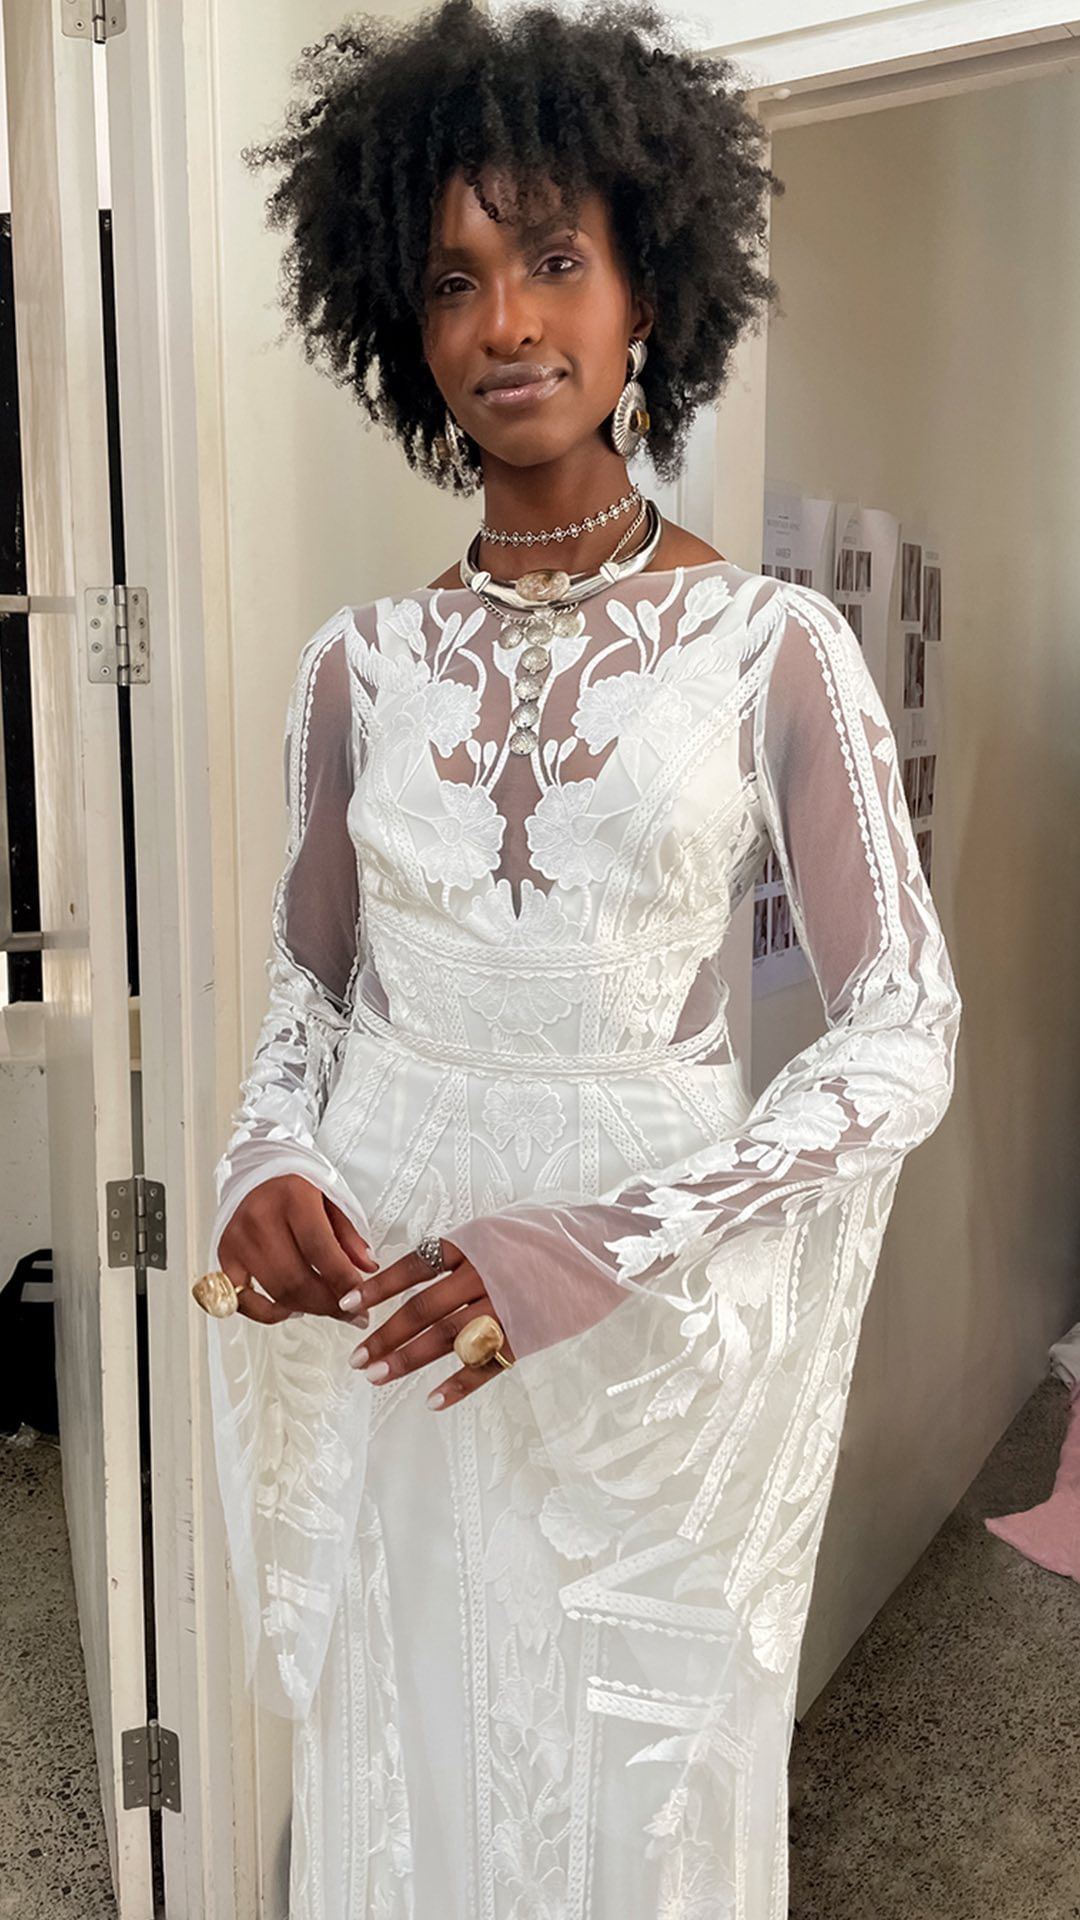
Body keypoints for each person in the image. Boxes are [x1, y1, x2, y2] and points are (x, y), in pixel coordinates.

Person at [196, 3, 963, 1913]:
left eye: (553, 260)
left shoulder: (773, 646)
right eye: (455, 280)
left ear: (646, 298)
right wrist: (265, 1161)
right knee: (416, 1759)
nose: (507, 324)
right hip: (401, 1300)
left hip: (642, 1317)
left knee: (632, 1798)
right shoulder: (356, 667)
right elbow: (311, 993)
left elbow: (904, 1028)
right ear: (406, 327)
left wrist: (607, 1241)